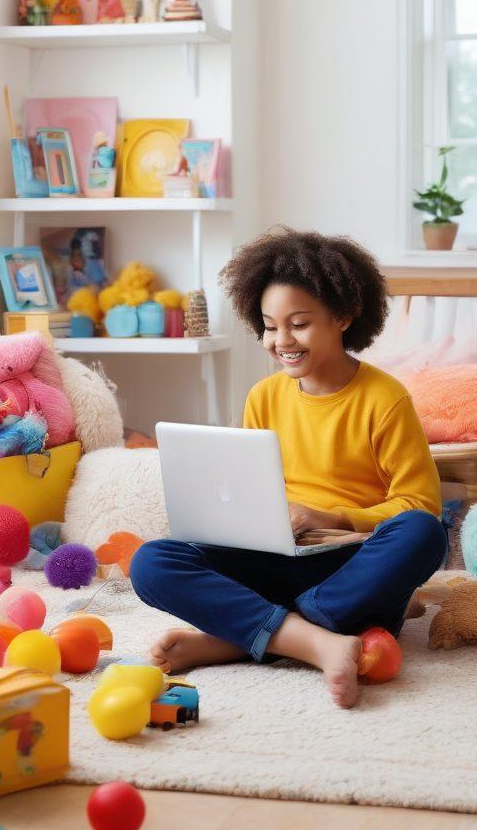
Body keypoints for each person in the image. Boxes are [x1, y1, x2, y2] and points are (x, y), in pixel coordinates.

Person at [130, 228, 446, 708]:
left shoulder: (384, 399)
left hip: (348, 565)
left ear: (343, 316)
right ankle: (315, 639)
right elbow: (246, 491)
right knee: (152, 562)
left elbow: (419, 504)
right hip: (276, 558)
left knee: (424, 533)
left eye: (298, 324)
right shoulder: (264, 395)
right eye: (269, 326)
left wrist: (331, 518)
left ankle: (240, 638)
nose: (281, 341)